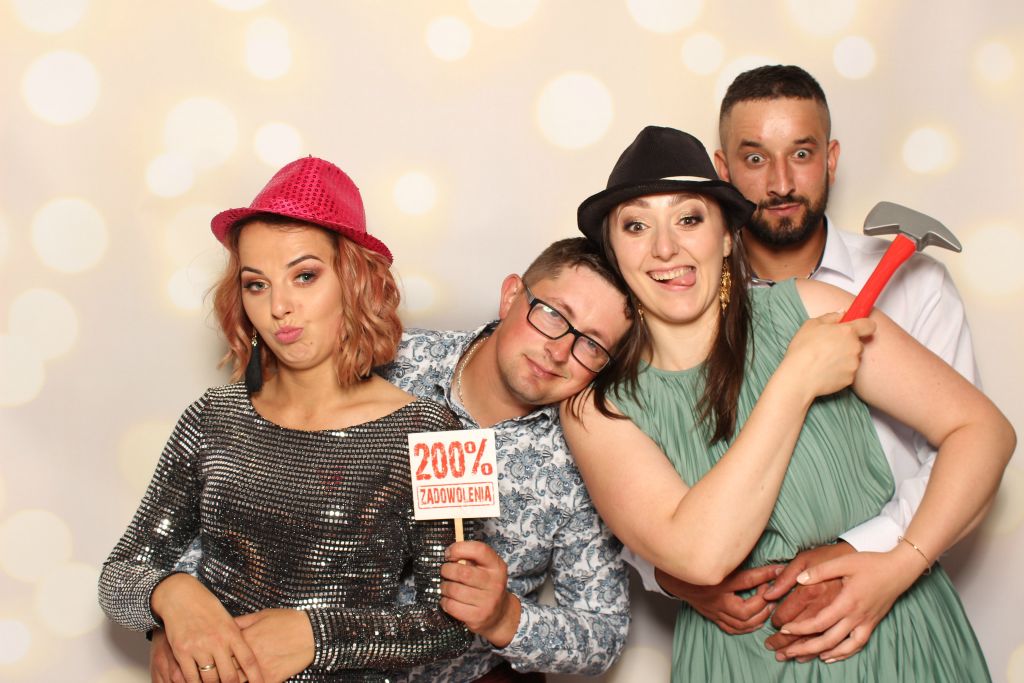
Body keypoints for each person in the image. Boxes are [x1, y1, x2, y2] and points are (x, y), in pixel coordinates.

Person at [564, 125, 1014, 681]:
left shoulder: (811, 308)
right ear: (613, 252)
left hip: (892, 640)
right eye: (636, 226)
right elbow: (701, 555)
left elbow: (982, 431)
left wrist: (900, 565)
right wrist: (796, 380)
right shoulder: (597, 409)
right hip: (739, 665)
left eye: (689, 219)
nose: (664, 247)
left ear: (726, 236)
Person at [152, 237, 634, 682]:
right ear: (511, 296)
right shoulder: (379, 357)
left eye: (591, 345)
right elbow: (237, 490)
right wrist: (177, 622)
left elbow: (604, 633)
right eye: (552, 314)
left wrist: (505, 617)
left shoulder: (591, 460)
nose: (559, 350)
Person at [99, 156, 471, 683]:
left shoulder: (433, 433)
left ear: (354, 280)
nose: (279, 307)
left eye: (305, 276)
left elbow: (454, 624)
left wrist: (316, 636)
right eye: (257, 284)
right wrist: (173, 596)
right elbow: (120, 575)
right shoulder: (213, 417)